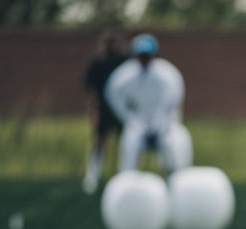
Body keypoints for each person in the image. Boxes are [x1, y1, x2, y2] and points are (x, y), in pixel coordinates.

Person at [103, 33, 190, 175]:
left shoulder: (167, 74)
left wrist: (164, 121)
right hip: (138, 122)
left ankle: (175, 179)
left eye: (147, 55)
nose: (144, 58)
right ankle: (127, 181)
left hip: (162, 124)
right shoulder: (124, 75)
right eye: (141, 54)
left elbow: (174, 99)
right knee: (130, 144)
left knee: (173, 145)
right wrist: (130, 118)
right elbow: (113, 96)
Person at [81, 32, 127, 193]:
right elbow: (91, 89)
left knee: (125, 143)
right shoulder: (97, 63)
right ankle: (92, 176)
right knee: (99, 142)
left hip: (122, 110)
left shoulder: (124, 62)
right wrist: (92, 109)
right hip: (103, 108)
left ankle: (124, 176)